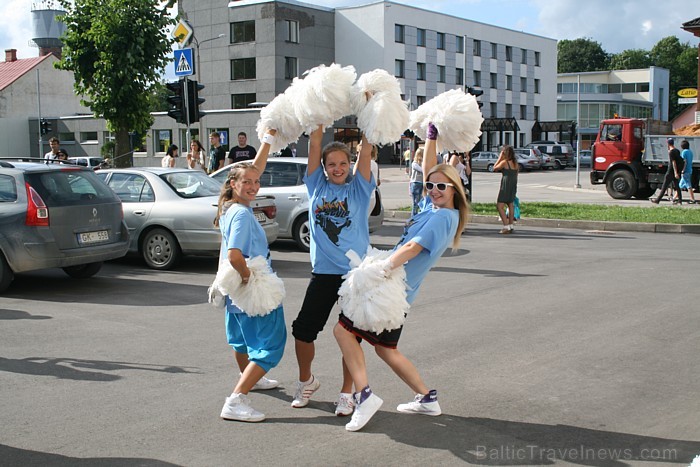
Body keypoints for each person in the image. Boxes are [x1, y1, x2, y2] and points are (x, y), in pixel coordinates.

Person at [333, 122, 469, 432]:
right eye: (431, 186)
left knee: (343, 333)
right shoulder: (432, 207)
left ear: (454, 190)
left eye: (442, 187)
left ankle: (364, 396)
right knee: (384, 348)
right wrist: (430, 140)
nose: (433, 190)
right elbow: (428, 171)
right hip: (396, 292)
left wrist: (381, 268)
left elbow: (412, 247)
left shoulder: (444, 217)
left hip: (389, 292)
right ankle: (426, 398)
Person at [290, 125, 375, 415]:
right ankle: (306, 381)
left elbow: (367, 149)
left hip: (354, 275)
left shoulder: (360, 189)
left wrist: (370, 121)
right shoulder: (317, 186)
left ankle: (347, 393)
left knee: (350, 337)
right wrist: (317, 125)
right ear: (324, 168)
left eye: (343, 163)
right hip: (324, 273)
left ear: (350, 165)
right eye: (331, 164)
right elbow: (315, 145)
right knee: (303, 331)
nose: (337, 168)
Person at [214, 128, 287, 423]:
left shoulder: (229, 207)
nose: (254, 186)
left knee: (242, 342)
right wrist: (248, 280)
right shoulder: (243, 214)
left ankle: (250, 380)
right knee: (271, 345)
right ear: (233, 183)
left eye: (257, 182)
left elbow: (255, 168)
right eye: (247, 182)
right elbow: (235, 255)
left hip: (233, 297)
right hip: (253, 291)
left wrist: (267, 141)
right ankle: (237, 398)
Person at [494, 145, 518, 234]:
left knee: (499, 206)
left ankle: (506, 226)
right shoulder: (515, 163)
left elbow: (494, 168)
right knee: (510, 204)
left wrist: (499, 158)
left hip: (506, 185)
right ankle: (511, 225)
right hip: (513, 184)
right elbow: (516, 175)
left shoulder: (504, 162)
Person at [651, 138, 683, 205]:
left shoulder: (671, 152)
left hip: (671, 171)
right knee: (677, 186)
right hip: (675, 171)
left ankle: (657, 200)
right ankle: (680, 200)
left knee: (664, 186)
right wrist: (677, 172)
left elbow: (673, 162)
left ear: (668, 143)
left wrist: (675, 173)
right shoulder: (677, 150)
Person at [678, 139, 696, 204]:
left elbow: (684, 162)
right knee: (680, 185)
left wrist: (682, 170)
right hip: (689, 169)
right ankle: (674, 198)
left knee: (688, 185)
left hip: (686, 170)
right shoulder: (690, 152)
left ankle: (692, 199)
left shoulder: (684, 152)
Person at [409, 148, 424, 215]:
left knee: (420, 201)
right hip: (415, 183)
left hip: (421, 183)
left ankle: (417, 216)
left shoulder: (422, 163)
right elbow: (422, 170)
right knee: (416, 202)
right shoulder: (414, 163)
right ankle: (413, 218)